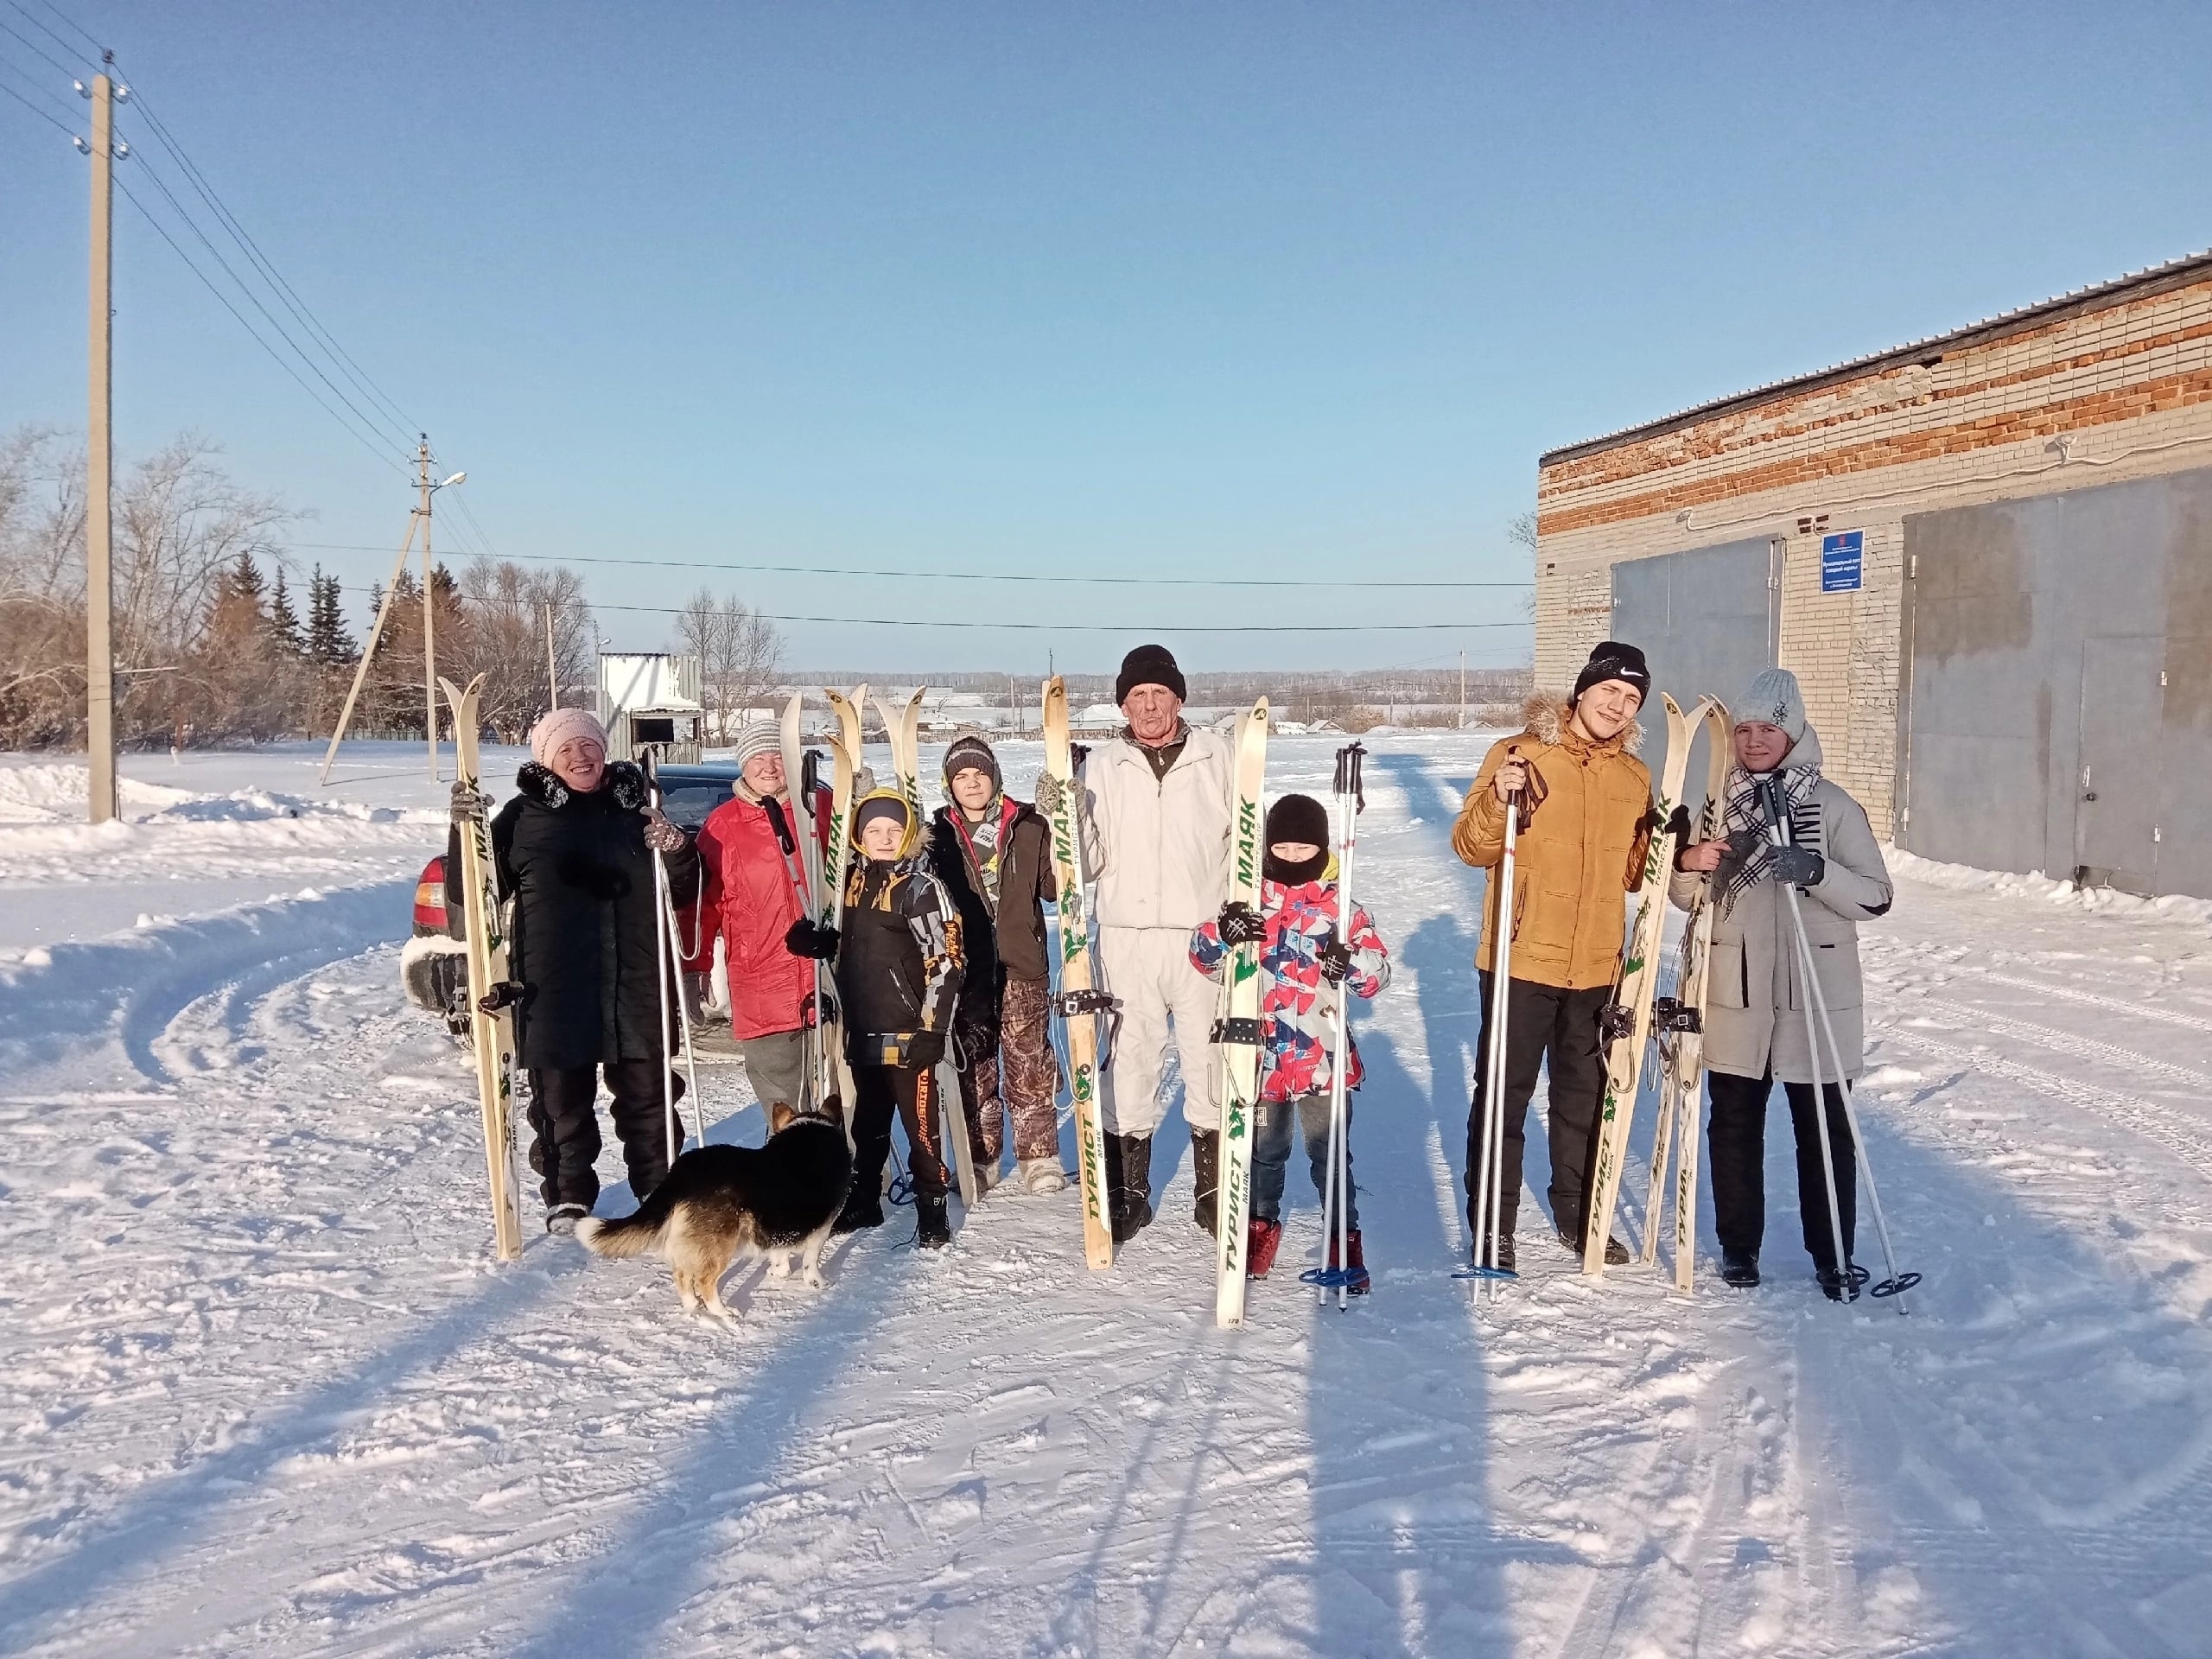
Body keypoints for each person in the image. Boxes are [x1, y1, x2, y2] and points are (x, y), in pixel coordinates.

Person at [1673, 668, 1894, 1299]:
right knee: (1733, 1128)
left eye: (1767, 727)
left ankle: (1832, 1255)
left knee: (1824, 1133)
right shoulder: (1719, 806)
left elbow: (1877, 897)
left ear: (1791, 730)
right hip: (1737, 992)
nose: (1753, 739)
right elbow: (1685, 897)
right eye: (1743, 729)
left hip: (1815, 998)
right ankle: (1739, 1249)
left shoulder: (1831, 805)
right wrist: (1691, 863)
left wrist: (1816, 869)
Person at [450, 707, 698, 1235]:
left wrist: (677, 849)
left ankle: (660, 1188)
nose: (580, 757)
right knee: (561, 1102)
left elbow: (686, 889)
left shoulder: (640, 810)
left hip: (637, 978)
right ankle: (567, 1195)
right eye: (566, 749)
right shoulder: (522, 817)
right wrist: (465, 833)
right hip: (555, 984)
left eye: (588, 745)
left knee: (650, 1096)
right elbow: (467, 891)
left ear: (604, 750)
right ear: (546, 760)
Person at [1454, 640, 1656, 1271]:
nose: (1618, 707)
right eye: (1609, 692)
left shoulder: (1634, 777)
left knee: (1583, 1099)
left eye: (1631, 699)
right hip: (1521, 960)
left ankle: (1578, 1216)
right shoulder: (1518, 754)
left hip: (1598, 966)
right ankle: (1494, 1225)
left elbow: (1631, 876)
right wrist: (1497, 800)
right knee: (1503, 1098)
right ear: (1582, 691)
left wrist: (1663, 844)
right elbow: (1469, 846)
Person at [1035, 643, 1232, 1243]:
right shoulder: (1102, 765)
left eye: (1159, 695)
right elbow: (1088, 863)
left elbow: (1241, 845)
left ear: (1178, 698)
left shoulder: (1217, 756)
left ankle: (1215, 1189)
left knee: (1209, 1058)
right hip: (1124, 937)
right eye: (1137, 697)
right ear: (1124, 704)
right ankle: (1128, 1192)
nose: (1149, 707)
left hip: (1202, 936)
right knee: (1131, 1062)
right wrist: (1063, 822)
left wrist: (1238, 917)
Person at [1189, 793, 1390, 1288]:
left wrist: (1350, 964)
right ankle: (1258, 1228)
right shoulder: (1249, 900)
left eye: (1305, 849)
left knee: (1328, 1152)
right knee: (1264, 1149)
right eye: (1284, 847)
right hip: (1260, 1055)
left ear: (1321, 848)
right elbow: (1202, 957)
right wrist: (1222, 931)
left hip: (1321, 1058)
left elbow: (1376, 976)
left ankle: (1344, 1241)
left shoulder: (1342, 907)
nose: (1294, 857)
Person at [805, 790, 965, 1248]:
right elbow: (846, 946)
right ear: (857, 835)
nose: (884, 838)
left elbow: (948, 960)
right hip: (862, 1027)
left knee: (920, 1127)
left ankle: (932, 1208)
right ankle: (864, 1200)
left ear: (909, 834)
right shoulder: (848, 884)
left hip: (909, 1031)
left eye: (894, 830)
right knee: (867, 1124)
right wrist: (817, 943)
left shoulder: (921, 888)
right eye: (874, 830)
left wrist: (933, 1028)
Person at [928, 728, 1065, 1196]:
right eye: (961, 776)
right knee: (974, 1068)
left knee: (1029, 1066)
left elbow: (1056, 887)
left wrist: (1063, 821)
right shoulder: (936, 834)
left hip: (1022, 963)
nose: (972, 783)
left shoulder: (1028, 826)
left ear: (995, 777)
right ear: (950, 785)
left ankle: (1039, 1157)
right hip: (965, 971)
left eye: (979, 774)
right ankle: (981, 1158)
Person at [687, 721, 831, 1123]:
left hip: (830, 979)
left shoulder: (820, 808)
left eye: (778, 757)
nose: (769, 767)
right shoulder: (723, 826)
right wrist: (694, 967)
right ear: (743, 765)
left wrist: (862, 807)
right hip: (764, 985)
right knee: (786, 1110)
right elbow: (701, 906)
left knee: (843, 1102)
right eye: (758, 758)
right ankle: (788, 1183)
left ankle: (853, 1184)